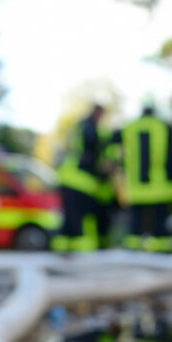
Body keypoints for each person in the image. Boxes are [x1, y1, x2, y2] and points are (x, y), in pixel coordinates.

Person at [119, 94, 172, 252]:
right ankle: (161, 255)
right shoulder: (164, 127)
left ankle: (133, 255)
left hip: (136, 188)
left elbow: (119, 154)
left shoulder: (130, 127)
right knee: (160, 228)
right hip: (159, 188)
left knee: (135, 227)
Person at [52, 101, 108, 252]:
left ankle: (62, 248)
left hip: (67, 176)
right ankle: (81, 250)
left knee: (69, 217)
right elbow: (93, 153)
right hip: (79, 180)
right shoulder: (91, 128)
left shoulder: (80, 125)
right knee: (81, 219)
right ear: (98, 112)